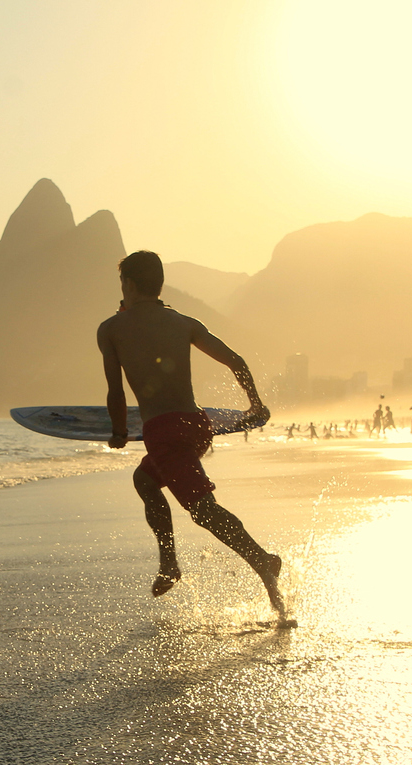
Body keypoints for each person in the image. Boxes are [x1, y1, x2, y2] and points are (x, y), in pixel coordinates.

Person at [97, 250, 285, 617]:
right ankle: (169, 563)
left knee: (202, 511)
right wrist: (255, 406)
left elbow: (116, 392)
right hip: (196, 427)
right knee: (146, 481)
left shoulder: (112, 329)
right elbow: (237, 362)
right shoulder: (185, 322)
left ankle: (262, 560)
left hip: (163, 432)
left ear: (130, 285)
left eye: (122, 282)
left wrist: (119, 431)